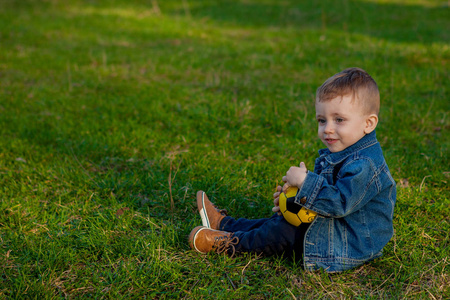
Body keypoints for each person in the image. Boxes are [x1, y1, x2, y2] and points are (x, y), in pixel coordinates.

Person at [188, 68, 397, 272]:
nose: (328, 129)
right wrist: (294, 201)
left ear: (368, 124)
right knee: (282, 220)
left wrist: (306, 183)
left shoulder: (365, 165)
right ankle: (225, 224)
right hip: (334, 227)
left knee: (283, 231)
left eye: (339, 120)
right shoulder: (346, 150)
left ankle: (228, 245)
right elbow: (326, 195)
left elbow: (339, 202)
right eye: (322, 120)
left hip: (346, 245)